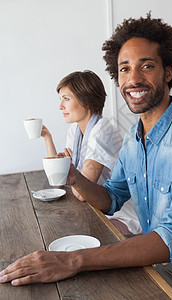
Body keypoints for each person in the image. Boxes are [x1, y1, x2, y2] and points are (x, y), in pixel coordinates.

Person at [1, 13, 172, 299]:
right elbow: (110, 199)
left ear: (167, 72)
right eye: (124, 69)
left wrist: (74, 260)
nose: (133, 79)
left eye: (146, 66)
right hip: (154, 255)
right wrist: (74, 177)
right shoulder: (134, 138)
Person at [41, 70, 141, 234]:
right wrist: (47, 138)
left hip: (120, 216)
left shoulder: (103, 130)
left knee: (64, 234)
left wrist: (68, 168)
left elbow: (81, 194)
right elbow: (58, 181)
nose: (60, 106)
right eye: (60, 99)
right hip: (96, 210)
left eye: (66, 99)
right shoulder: (75, 130)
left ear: (86, 101)